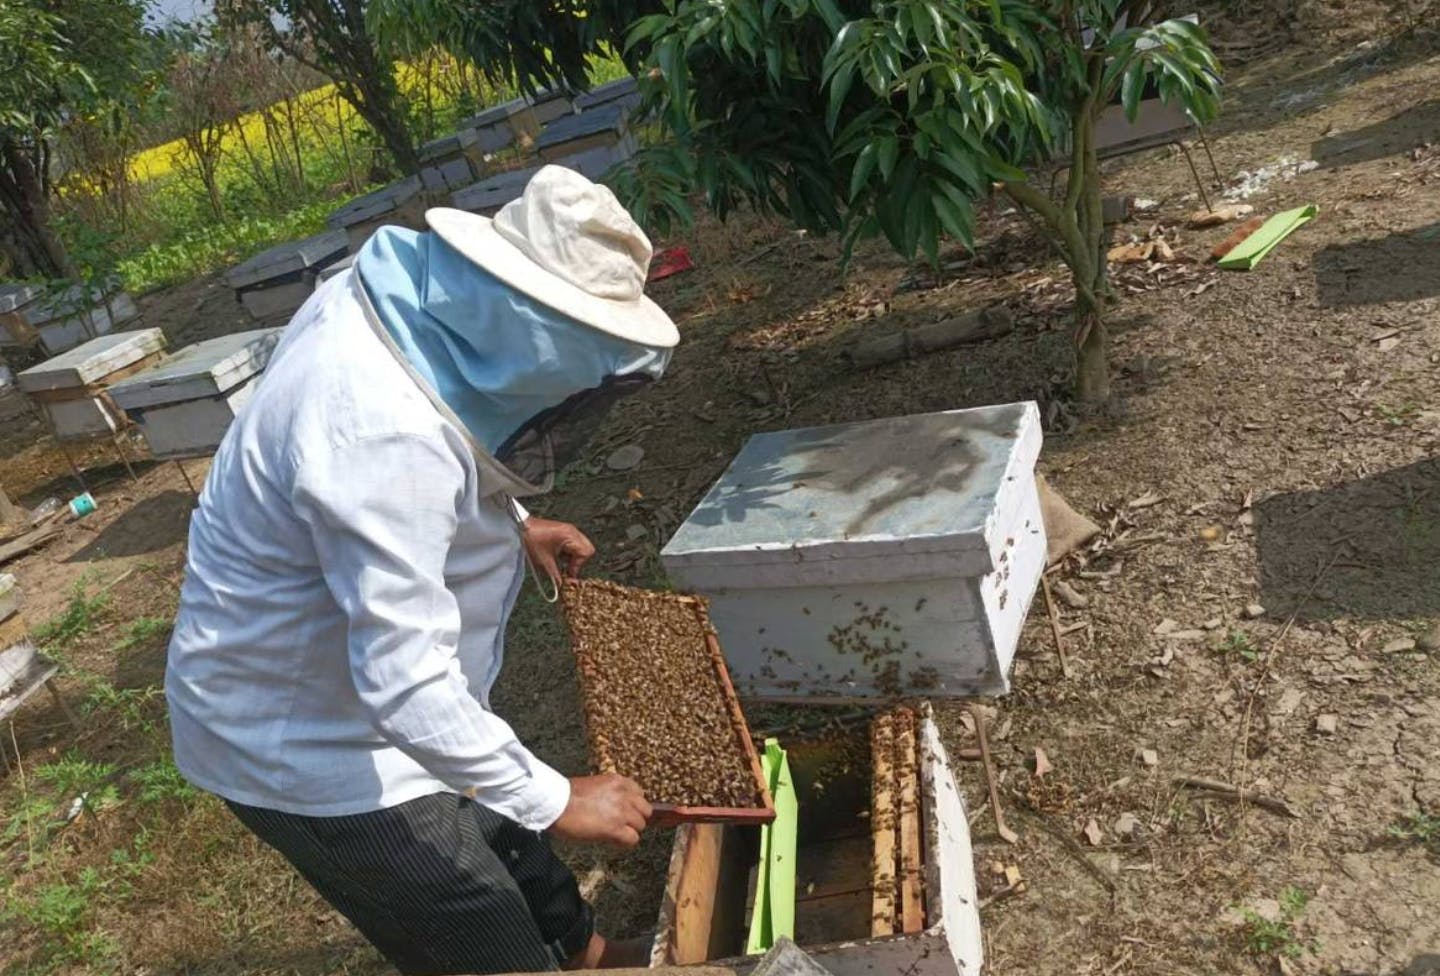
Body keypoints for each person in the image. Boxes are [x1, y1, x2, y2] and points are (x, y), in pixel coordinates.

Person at [166, 166, 680, 975]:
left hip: (361, 672)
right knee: (471, 912)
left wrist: (513, 521)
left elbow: (459, 421)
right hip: (307, 741)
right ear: (526, 322)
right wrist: (560, 798)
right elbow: (405, 684)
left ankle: (590, 955)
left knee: (501, 824)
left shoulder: (397, 301)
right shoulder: (374, 434)